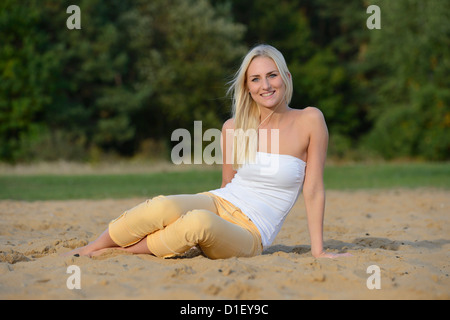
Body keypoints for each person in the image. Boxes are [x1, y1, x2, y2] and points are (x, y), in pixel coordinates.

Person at [63, 44, 350, 259]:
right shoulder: (233, 128)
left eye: (272, 75)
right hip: (220, 202)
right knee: (164, 206)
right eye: (256, 79)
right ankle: (94, 247)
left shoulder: (310, 120)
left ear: (285, 76)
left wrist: (318, 251)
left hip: (252, 232)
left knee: (198, 223)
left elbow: (312, 191)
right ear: (247, 87)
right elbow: (227, 184)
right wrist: (215, 216)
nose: (265, 85)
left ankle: (123, 253)